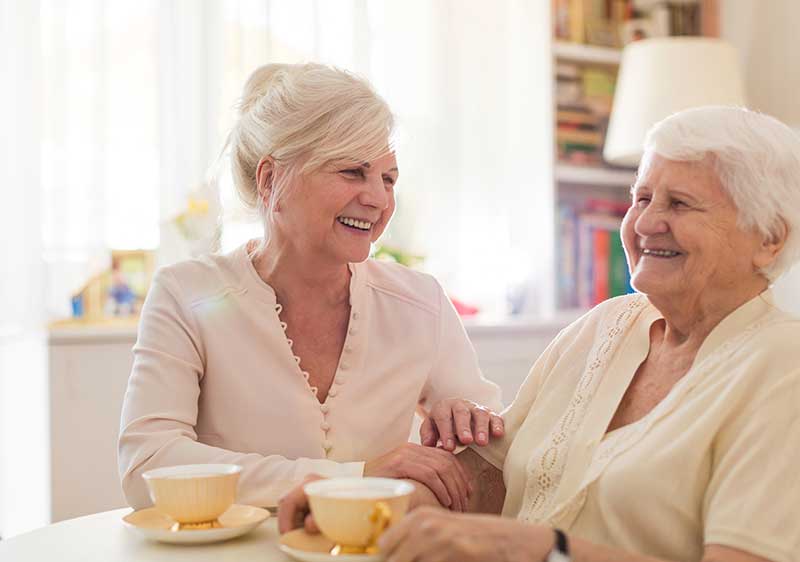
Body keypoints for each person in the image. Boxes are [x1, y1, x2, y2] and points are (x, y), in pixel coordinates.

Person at [280, 106, 800, 562]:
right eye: (641, 198)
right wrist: (363, 502)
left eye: (680, 204)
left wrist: (540, 551)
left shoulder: (783, 369)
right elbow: (493, 480)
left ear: (769, 239)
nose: (645, 224)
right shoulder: (606, 325)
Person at [118, 63, 503, 512]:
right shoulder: (185, 293)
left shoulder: (421, 302)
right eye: (352, 172)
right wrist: (357, 479)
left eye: (388, 178)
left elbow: (494, 456)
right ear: (270, 181)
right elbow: (148, 466)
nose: (378, 198)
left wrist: (463, 424)